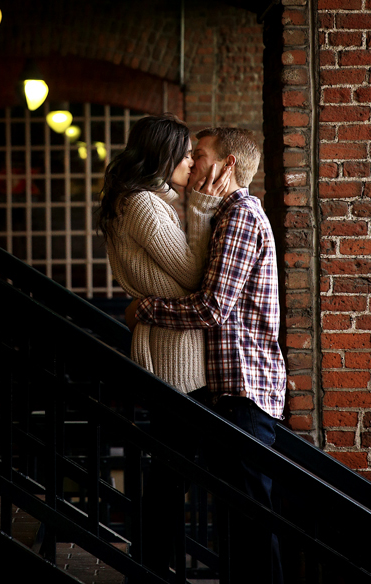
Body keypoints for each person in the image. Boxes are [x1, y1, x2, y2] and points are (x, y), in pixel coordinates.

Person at [125, 126, 286, 584]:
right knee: (237, 527)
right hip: (230, 391)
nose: (192, 162)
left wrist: (144, 309)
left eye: (200, 154)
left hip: (243, 389)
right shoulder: (223, 215)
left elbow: (212, 308)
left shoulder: (239, 215)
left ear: (228, 164)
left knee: (251, 526)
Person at [99, 114, 232, 394]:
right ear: (163, 156)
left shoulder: (138, 200)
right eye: (185, 155)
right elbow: (194, 274)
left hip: (171, 345)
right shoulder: (143, 203)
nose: (192, 163)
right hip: (174, 354)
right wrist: (200, 207)